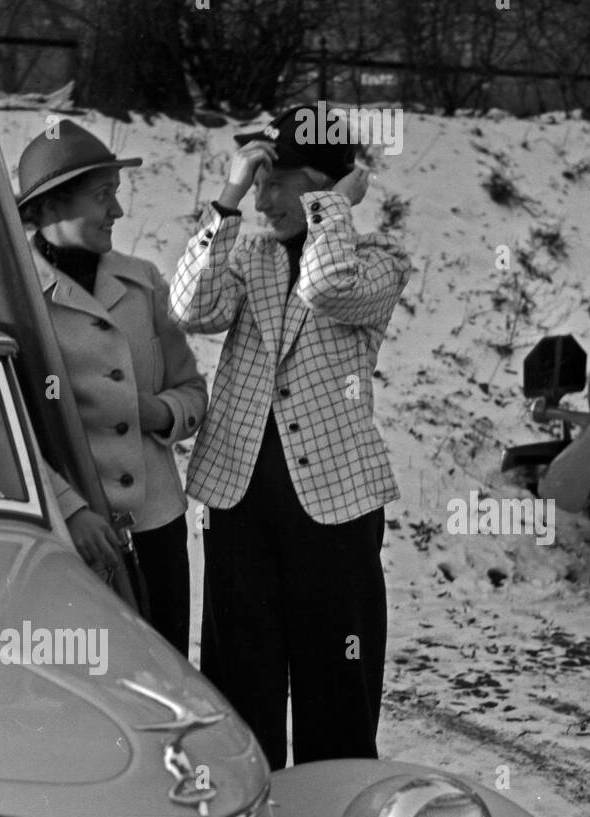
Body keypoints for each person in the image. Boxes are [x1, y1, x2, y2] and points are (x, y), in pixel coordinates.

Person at [169, 107, 412, 768]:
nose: (267, 198)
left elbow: (327, 287)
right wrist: (228, 196)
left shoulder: (379, 265)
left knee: (337, 685)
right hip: (238, 498)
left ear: (332, 185)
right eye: (262, 181)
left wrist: (330, 206)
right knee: (240, 679)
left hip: (334, 507)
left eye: (283, 181)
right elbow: (189, 307)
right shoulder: (249, 257)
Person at [0, 120, 207, 655]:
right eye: (103, 197)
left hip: (157, 528)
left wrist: (161, 413)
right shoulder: (0, 303)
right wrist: (70, 510)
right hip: (69, 537)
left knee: (162, 676)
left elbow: (191, 389)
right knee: (84, 687)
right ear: (50, 208)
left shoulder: (143, 281)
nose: (117, 212)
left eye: (115, 195)